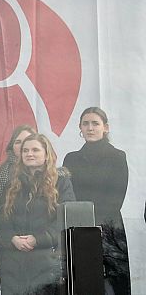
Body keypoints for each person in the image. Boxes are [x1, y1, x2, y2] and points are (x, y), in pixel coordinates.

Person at [62, 107, 130, 294]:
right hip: (79, 230)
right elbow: (67, 195)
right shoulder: (71, 158)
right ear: (80, 128)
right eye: (86, 124)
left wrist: (96, 227)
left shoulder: (117, 157)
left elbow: (117, 197)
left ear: (105, 127)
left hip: (109, 231)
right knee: (82, 284)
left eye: (95, 123)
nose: (90, 128)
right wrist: (81, 224)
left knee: (113, 287)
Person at [0, 133, 75, 295]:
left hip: (46, 262)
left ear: (47, 155)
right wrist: (12, 238)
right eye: (25, 150)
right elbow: (0, 218)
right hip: (13, 264)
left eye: (35, 150)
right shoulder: (12, 184)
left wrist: (37, 239)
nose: (29, 154)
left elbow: (65, 219)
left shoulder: (61, 183)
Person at [0, 125, 37, 193]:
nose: (22, 145)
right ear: (12, 146)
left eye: (27, 141)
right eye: (18, 142)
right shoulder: (4, 172)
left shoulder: (48, 170)